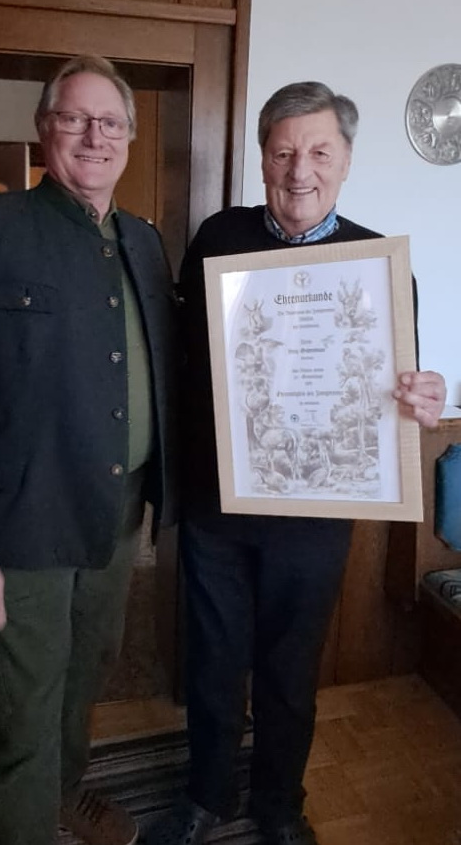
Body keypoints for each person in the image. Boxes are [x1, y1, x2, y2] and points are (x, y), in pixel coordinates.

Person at [144, 82, 446, 845]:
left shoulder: (380, 266)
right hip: (218, 505)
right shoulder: (218, 237)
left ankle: (279, 805)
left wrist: (422, 395)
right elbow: (181, 363)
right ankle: (207, 796)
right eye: (282, 152)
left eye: (318, 152)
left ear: (345, 160)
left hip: (315, 514)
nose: (299, 170)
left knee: (290, 669)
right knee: (213, 661)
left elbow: (391, 387)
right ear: (262, 159)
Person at [0, 55, 178, 845]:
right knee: (23, 705)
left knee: (85, 674)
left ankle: (63, 794)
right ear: (43, 127)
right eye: (75, 118)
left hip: (116, 515)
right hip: (19, 523)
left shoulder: (143, 242)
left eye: (111, 122)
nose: (95, 136)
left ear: (129, 136)